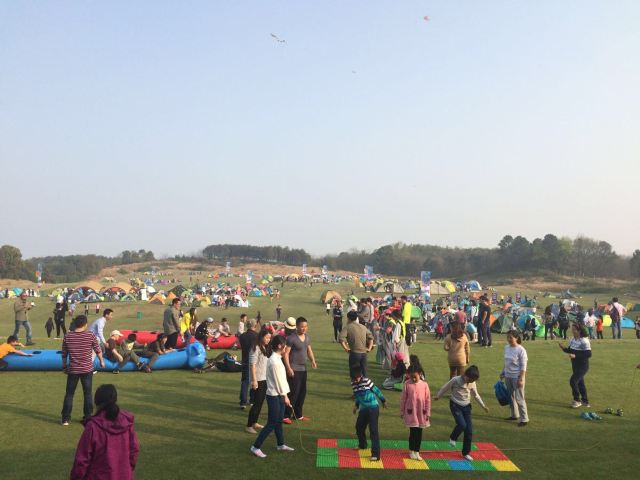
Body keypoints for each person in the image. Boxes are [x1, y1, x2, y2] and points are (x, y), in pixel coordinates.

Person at [70, 384, 139, 480]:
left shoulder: (93, 426)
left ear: (97, 402)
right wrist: (127, 469)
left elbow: (82, 459)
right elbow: (134, 450)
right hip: (123, 475)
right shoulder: (126, 422)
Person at [250, 335, 295, 458]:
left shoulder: (277, 358)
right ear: (280, 346)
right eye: (285, 345)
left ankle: (281, 444)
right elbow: (278, 381)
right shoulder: (274, 361)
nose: (286, 347)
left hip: (278, 395)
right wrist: (285, 396)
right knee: (272, 423)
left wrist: (284, 395)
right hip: (274, 396)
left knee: (279, 421)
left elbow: (281, 380)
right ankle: (255, 447)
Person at [434, 365, 489, 461]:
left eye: (472, 380)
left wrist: (483, 406)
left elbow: (476, 395)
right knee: (462, 425)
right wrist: (438, 396)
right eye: (470, 379)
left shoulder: (472, 383)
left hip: (467, 407)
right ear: (466, 375)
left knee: (469, 431)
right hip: (455, 405)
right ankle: (453, 437)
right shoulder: (455, 380)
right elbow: (445, 387)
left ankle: (466, 453)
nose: (470, 382)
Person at [61, 315, 105, 425]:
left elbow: (64, 353)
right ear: (85, 324)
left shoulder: (68, 336)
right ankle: (88, 417)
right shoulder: (90, 335)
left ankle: (65, 418)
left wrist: (64, 366)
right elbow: (98, 349)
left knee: (69, 394)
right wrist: (101, 361)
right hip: (87, 369)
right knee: (87, 394)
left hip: (73, 369)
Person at [283, 317, 317, 423]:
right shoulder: (291, 338)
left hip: (303, 369)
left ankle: (298, 415)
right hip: (294, 369)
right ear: (297, 327)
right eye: (302, 326)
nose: (304, 328)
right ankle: (286, 415)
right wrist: (288, 368)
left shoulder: (307, 337)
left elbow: (309, 350)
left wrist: (313, 360)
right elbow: (286, 354)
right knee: (293, 392)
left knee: (302, 392)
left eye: (305, 326)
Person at [351, 366, 386, 462]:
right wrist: (356, 406)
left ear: (361, 375)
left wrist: (383, 400)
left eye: (357, 378)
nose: (356, 380)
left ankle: (375, 454)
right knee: (359, 427)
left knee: (373, 430)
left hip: (373, 408)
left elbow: (376, 390)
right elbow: (358, 395)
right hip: (363, 409)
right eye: (354, 378)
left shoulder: (366, 381)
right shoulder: (353, 384)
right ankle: (362, 445)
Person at [400, 365, 431, 460]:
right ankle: (411, 451)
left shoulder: (424, 385)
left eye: (415, 377)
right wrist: (402, 411)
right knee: (413, 432)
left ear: (420, 374)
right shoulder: (407, 384)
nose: (413, 379)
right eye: (411, 377)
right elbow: (403, 399)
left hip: (421, 413)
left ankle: (417, 451)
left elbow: (428, 399)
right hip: (411, 412)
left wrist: (428, 413)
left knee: (419, 433)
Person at [559, 323, 592, 408]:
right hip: (575, 365)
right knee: (580, 383)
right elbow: (570, 350)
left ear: (579, 331)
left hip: (583, 365)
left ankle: (577, 400)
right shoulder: (573, 339)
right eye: (572, 329)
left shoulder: (584, 340)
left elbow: (588, 354)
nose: (572, 331)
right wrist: (563, 348)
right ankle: (585, 401)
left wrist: (576, 356)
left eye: (574, 330)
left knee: (573, 381)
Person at [247, 327, 272, 433]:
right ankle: (249, 426)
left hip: (264, 378)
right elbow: (252, 365)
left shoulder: (263, 347)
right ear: (261, 337)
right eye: (266, 337)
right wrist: (254, 380)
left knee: (260, 402)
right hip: (258, 379)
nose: (268, 340)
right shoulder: (255, 348)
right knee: (256, 403)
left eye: (269, 338)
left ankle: (255, 422)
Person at [501, 331, 529, 427]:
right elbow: (506, 362)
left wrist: (521, 379)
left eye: (511, 337)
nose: (509, 339)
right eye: (508, 337)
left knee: (519, 398)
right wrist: (503, 372)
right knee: (511, 397)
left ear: (516, 338)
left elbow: (523, 366)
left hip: (517, 377)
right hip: (508, 376)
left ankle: (524, 419)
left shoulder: (521, 350)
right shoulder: (506, 348)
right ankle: (514, 415)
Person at [340, 310, 374, 378]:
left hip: (354, 353)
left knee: (354, 374)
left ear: (348, 318)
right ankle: (365, 384)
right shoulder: (363, 326)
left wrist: (346, 348)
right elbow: (371, 338)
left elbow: (341, 339)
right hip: (364, 354)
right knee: (364, 373)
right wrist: (369, 348)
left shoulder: (347, 327)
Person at [239, 318, 258, 410]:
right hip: (254, 361)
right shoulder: (257, 336)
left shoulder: (242, 336)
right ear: (255, 326)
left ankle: (243, 402)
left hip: (245, 360)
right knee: (254, 380)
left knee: (245, 381)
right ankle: (252, 400)